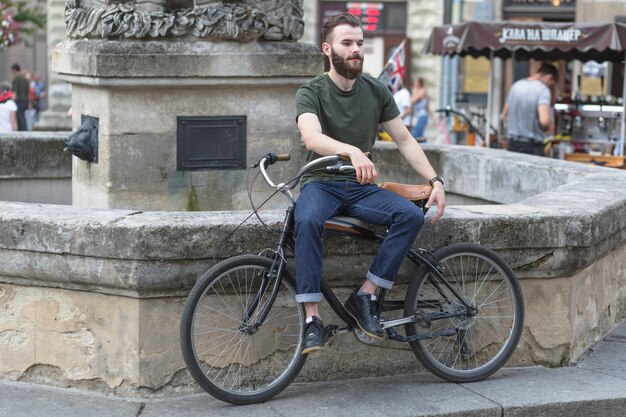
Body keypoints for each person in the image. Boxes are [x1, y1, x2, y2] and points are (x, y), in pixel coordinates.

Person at [294, 12, 446, 354]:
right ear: (328, 49)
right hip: (322, 182)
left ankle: (366, 294)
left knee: (410, 215)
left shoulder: (377, 89)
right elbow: (311, 137)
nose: (356, 50)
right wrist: (351, 151)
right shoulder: (311, 91)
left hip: (361, 188)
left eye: (360, 43)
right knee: (306, 219)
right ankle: (312, 321)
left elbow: (405, 140)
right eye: (347, 43)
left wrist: (435, 180)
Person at [501, 63, 559, 156]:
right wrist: (548, 127)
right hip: (532, 147)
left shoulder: (516, 86)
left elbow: (504, 115)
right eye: (551, 84)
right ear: (549, 78)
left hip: (512, 144)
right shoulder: (542, 90)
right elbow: (544, 121)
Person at [10, 64, 30, 131]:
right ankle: (25, 131)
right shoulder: (24, 79)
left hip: (19, 101)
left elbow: (14, 93)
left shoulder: (16, 79)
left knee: (19, 117)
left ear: (14, 70)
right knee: (22, 117)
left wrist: (10, 101)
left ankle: (22, 132)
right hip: (25, 100)